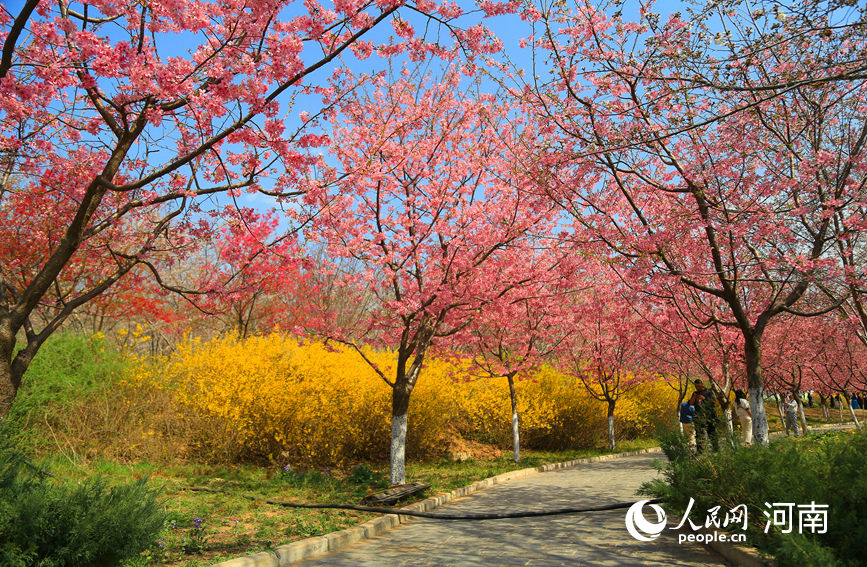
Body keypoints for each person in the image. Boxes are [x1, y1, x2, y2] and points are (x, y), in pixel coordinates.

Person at [690, 379, 719, 453]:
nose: (697, 387)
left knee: (712, 433)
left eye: (698, 386)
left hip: (709, 416)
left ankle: (715, 449)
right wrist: (694, 397)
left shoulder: (708, 392)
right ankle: (700, 451)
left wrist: (704, 399)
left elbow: (714, 402)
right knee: (699, 434)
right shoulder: (695, 393)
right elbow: (691, 403)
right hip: (699, 417)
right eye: (696, 386)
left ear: (702, 384)